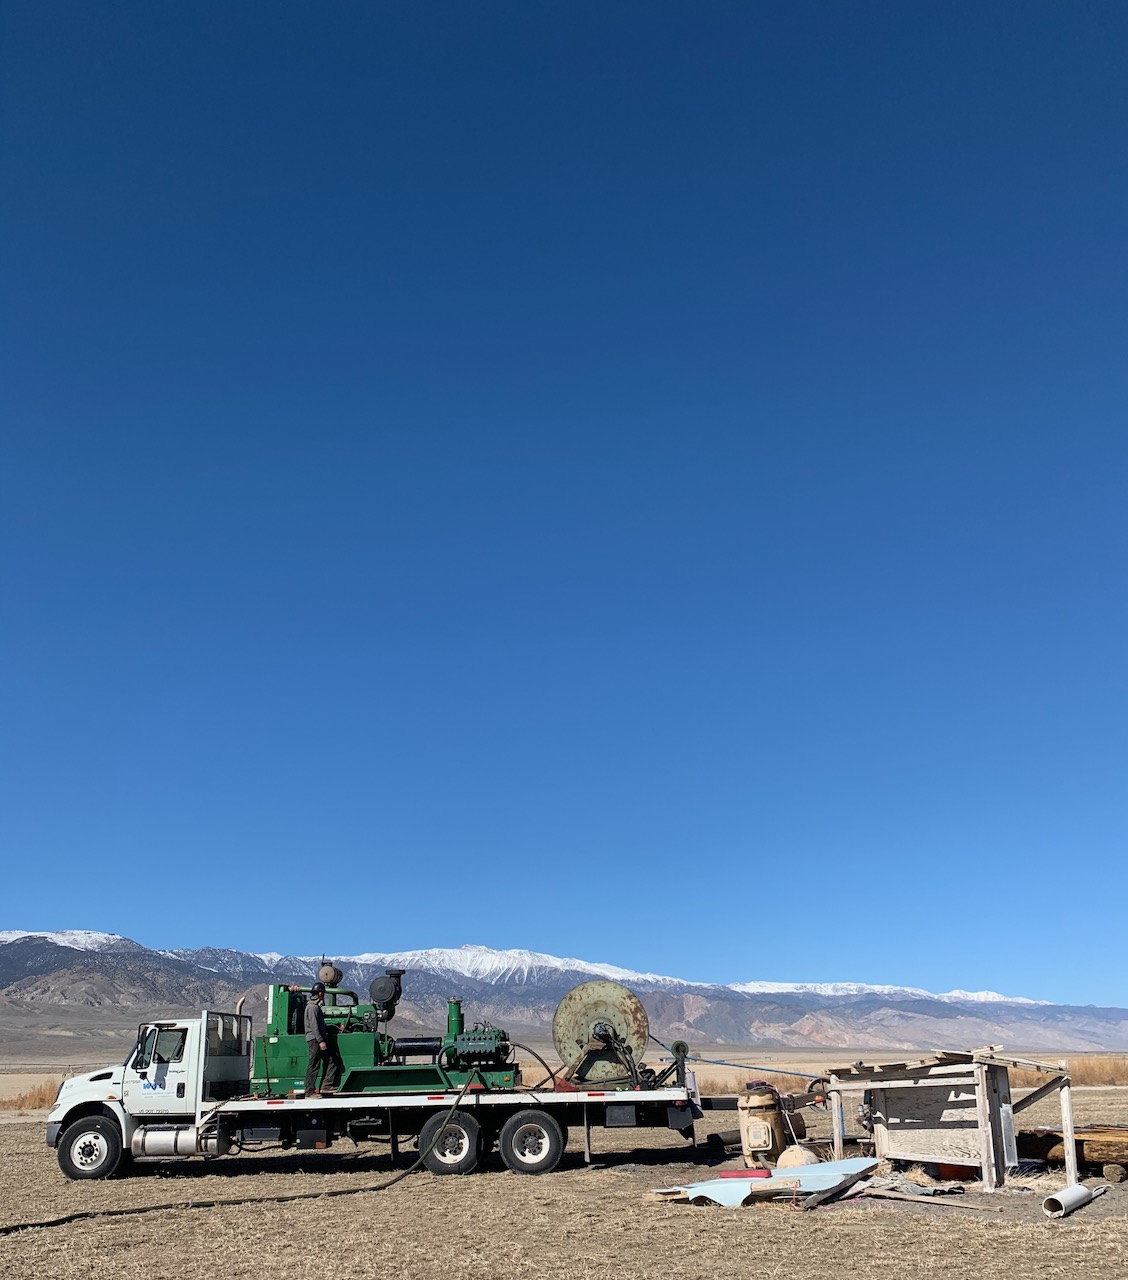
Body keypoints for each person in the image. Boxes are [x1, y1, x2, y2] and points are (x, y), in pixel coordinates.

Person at [303, 981, 340, 1095]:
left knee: (331, 1059)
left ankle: (326, 1085)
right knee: (314, 1064)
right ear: (319, 994)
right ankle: (309, 1091)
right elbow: (314, 1026)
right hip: (314, 1039)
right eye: (322, 993)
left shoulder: (314, 1007)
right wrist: (320, 1040)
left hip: (316, 1038)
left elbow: (321, 1026)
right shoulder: (312, 1008)